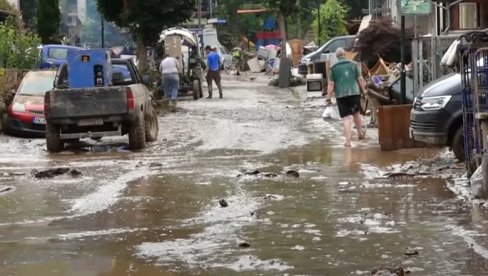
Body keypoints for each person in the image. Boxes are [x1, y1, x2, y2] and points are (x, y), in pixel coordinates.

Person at [326, 47, 367, 147]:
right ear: (345, 54)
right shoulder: (353, 65)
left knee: (346, 118)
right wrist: (364, 91)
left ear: (337, 56)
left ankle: (348, 142)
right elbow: (360, 79)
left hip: (341, 95)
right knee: (356, 114)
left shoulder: (334, 68)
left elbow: (331, 84)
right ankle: (360, 134)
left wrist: (328, 97)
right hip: (354, 93)